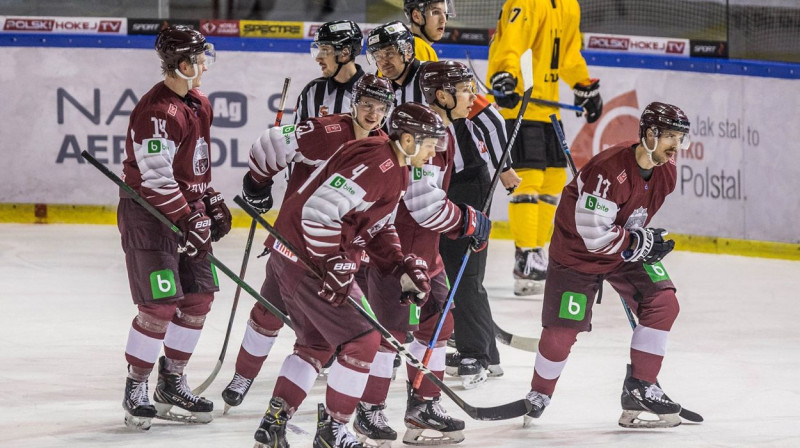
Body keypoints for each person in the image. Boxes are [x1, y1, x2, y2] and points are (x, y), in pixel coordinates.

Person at [248, 102, 447, 448]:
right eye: (429, 143)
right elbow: (318, 213)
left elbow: (377, 226)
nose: (432, 153)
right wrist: (331, 263)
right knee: (365, 339)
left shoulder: (394, 166)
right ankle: (334, 430)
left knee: (316, 344)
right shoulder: (379, 164)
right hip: (306, 259)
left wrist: (399, 265)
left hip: (296, 257)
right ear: (409, 139)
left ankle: (273, 423)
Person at [220, 74, 395, 411]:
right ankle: (243, 377)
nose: (373, 113)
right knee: (269, 313)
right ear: (354, 102)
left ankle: (285, 407)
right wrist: (258, 185)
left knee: (318, 341)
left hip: (336, 256)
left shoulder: (382, 147)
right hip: (295, 247)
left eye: (381, 106)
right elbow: (269, 144)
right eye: (367, 104)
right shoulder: (324, 131)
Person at [522, 102, 690, 429]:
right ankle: (539, 393)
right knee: (563, 331)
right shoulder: (608, 170)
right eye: (670, 136)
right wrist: (639, 242)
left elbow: (632, 220)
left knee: (664, 302)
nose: (675, 146)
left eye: (679, 138)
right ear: (649, 134)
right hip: (578, 254)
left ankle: (641, 385)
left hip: (624, 246)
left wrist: (640, 243)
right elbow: (593, 236)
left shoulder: (666, 170)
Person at [354, 61, 489, 446]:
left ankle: (424, 405)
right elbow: (424, 205)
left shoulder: (442, 132)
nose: (471, 97)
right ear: (443, 95)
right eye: (465, 90)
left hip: (427, 255)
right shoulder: (424, 135)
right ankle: (369, 411)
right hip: (399, 255)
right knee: (391, 335)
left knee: (439, 328)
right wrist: (468, 221)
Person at [118, 25, 230, 431]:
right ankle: (136, 386)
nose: (205, 65)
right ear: (183, 65)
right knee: (160, 306)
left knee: (198, 299)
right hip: (151, 216)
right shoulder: (157, 113)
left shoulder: (198, 101)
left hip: (186, 211)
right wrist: (189, 216)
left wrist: (209, 197)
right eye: (199, 58)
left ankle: (172, 382)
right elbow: (155, 178)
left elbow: (188, 167)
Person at [487, 0, 603, 296]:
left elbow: (568, 54)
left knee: (553, 179)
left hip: (547, 108)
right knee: (529, 180)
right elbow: (511, 44)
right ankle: (525, 257)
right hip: (521, 106)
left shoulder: (568, 5)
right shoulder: (525, 3)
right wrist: (506, 76)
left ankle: (538, 253)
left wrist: (583, 86)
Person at [294, 20, 365, 123]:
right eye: (319, 50)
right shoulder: (312, 91)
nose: (318, 58)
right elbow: (297, 135)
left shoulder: (374, 92)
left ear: (345, 53)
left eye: (325, 50)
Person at [367, 21, 425, 104]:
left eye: (389, 53)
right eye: (377, 56)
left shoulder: (432, 76)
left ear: (408, 51)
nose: (383, 62)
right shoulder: (384, 92)